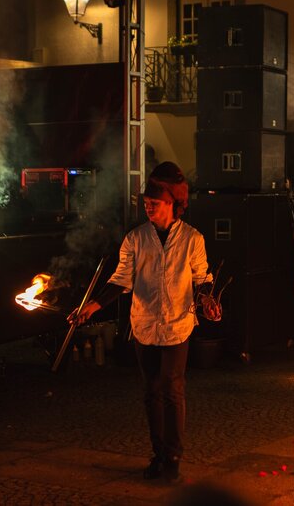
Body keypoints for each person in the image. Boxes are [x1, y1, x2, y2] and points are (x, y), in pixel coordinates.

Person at [69, 162, 220, 483]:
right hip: (145, 325)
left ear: (173, 204)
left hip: (178, 324)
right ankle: (159, 453)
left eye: (155, 203)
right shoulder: (135, 239)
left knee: (171, 388)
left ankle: (174, 456)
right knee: (151, 391)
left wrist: (206, 297)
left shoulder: (193, 239)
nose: (148, 208)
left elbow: (202, 277)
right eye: (146, 204)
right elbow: (120, 281)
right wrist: (92, 306)